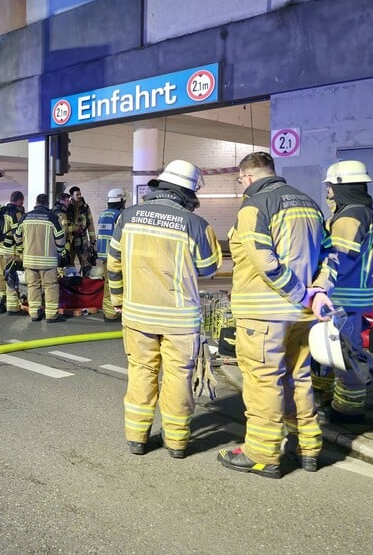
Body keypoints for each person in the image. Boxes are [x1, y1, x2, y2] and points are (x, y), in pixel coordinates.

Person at [217, 151, 333, 478]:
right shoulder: (309, 203)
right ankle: (307, 446)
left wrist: (297, 294)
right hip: (302, 315)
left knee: (263, 381)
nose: (241, 186)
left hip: (264, 313)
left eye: (240, 180)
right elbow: (330, 255)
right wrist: (317, 292)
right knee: (298, 377)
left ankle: (262, 453)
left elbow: (264, 261)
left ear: (249, 177)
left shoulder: (255, 206)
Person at [106, 160, 222, 459]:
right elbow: (209, 268)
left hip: (137, 314)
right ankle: (177, 442)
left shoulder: (127, 216)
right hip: (179, 319)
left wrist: (118, 300)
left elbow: (114, 264)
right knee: (178, 377)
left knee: (141, 372)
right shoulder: (195, 224)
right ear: (189, 191)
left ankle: (137, 438)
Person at [311, 160, 373, 424]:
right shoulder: (363, 211)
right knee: (331, 350)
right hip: (352, 294)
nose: (327, 191)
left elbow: (337, 258)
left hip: (342, 295)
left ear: (340, 186)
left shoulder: (351, 216)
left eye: (329, 186)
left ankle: (348, 409)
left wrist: (319, 287)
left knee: (344, 352)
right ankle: (326, 396)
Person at [14, 193, 66, 323]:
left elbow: (17, 237)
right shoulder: (52, 218)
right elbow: (60, 239)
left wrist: (22, 249)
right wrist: (59, 252)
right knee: (50, 287)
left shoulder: (25, 217)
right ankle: (51, 315)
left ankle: (35, 314)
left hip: (29, 260)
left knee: (32, 286)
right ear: (47, 204)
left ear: (36, 203)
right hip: (48, 261)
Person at [0, 190, 25, 315]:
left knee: (0, 275)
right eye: (22, 201)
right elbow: (18, 233)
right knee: (10, 276)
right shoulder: (16, 213)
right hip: (10, 250)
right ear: (19, 200)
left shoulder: (2, 210)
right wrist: (21, 249)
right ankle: (12, 307)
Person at [96, 187, 127, 321]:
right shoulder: (119, 216)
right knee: (117, 284)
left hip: (104, 256)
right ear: (121, 201)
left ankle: (108, 311)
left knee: (108, 283)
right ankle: (113, 313)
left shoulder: (103, 214)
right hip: (115, 256)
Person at [67, 186, 96, 273]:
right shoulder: (68, 207)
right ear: (71, 196)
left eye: (80, 194)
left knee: (86, 263)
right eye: (77, 194)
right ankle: (72, 281)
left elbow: (90, 224)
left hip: (82, 240)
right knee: (69, 263)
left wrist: (92, 240)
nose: (79, 196)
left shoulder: (85, 207)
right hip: (71, 241)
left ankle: (86, 281)